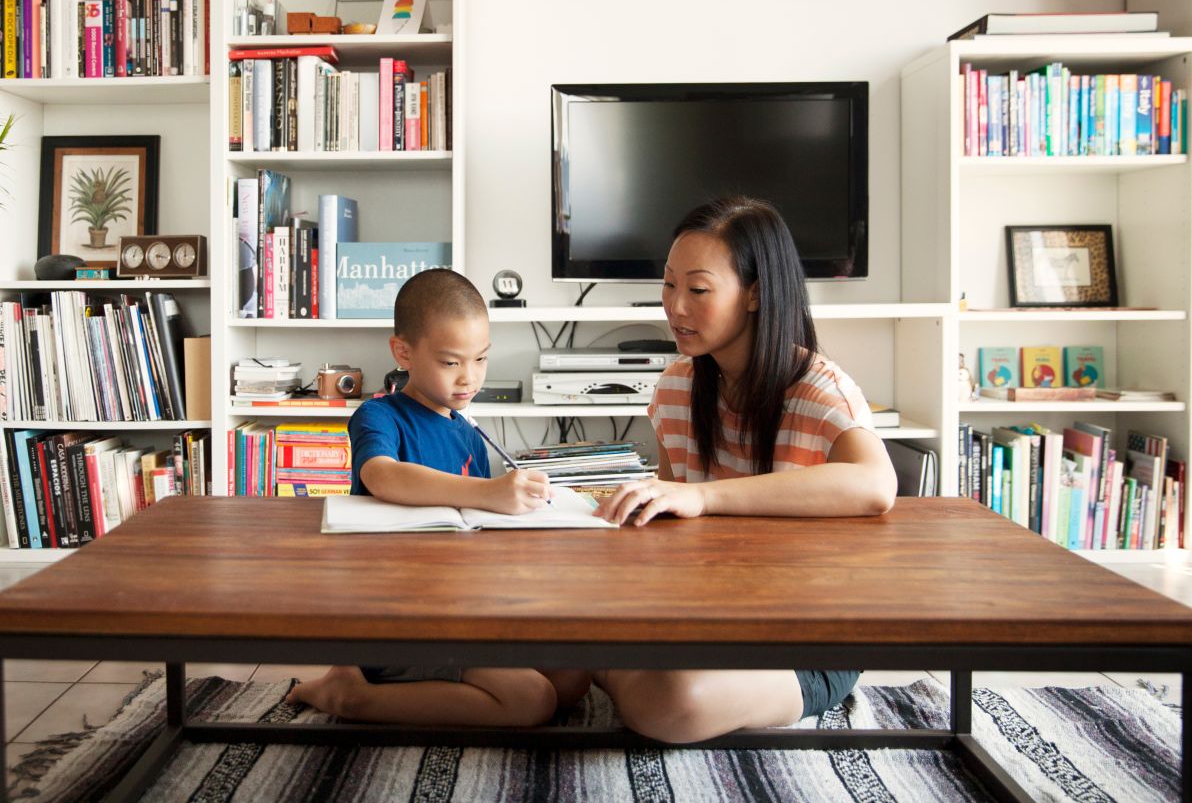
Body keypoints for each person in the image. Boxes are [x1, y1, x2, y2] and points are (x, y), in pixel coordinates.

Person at [592, 196, 897, 743]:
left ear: (755, 293)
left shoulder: (819, 389)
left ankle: (605, 670)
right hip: (704, 617)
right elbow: (667, 519)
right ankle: (611, 666)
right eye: (668, 285)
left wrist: (707, 497)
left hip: (810, 637)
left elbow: (876, 487)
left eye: (699, 290)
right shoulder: (678, 385)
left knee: (675, 704)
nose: (675, 307)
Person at [287, 268, 586, 726]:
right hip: (399, 620)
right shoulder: (379, 415)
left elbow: (474, 527)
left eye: (481, 359)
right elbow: (383, 476)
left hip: (462, 610)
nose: (470, 377)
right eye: (451, 362)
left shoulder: (466, 432)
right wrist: (489, 492)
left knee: (571, 680)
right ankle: (350, 696)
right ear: (403, 352)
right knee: (531, 701)